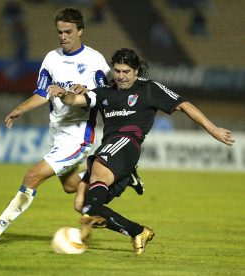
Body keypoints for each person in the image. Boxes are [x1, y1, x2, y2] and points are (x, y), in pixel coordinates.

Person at [0, 8, 143, 246]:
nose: (63, 36)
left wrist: (88, 91)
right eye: (60, 32)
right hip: (58, 136)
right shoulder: (52, 58)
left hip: (78, 136)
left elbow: (106, 94)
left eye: (69, 31)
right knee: (71, 186)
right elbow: (42, 93)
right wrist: (20, 108)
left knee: (32, 175)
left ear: (80, 30)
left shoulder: (94, 61)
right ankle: (122, 176)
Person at [48, 48, 235, 254]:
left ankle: (91, 218)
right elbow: (75, 100)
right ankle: (137, 231)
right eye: (117, 71)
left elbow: (184, 105)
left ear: (136, 71)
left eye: (126, 71)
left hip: (127, 143)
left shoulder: (149, 89)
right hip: (111, 146)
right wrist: (63, 93)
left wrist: (213, 129)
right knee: (81, 203)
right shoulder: (104, 92)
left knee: (98, 172)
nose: (120, 76)